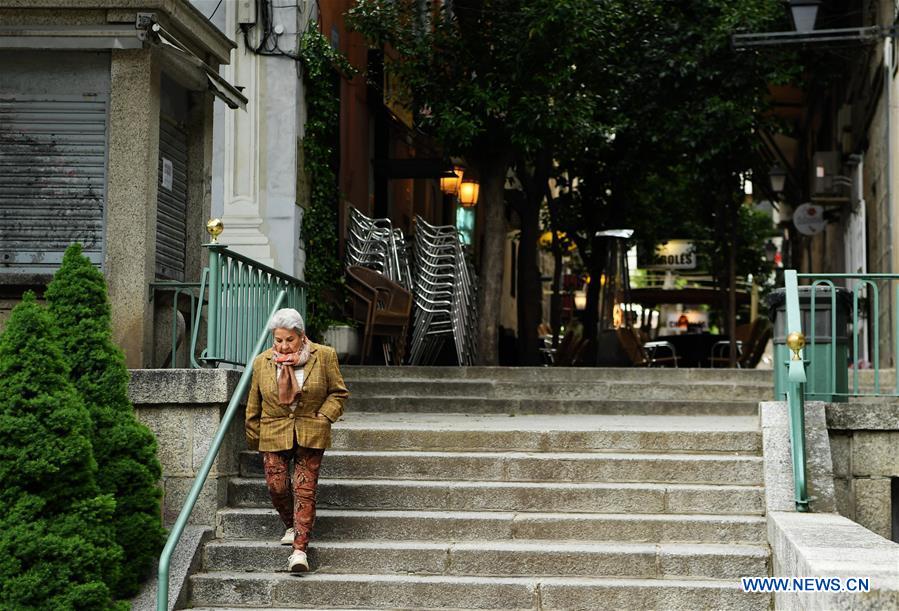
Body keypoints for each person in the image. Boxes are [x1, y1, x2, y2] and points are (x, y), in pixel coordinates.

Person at [245, 308, 349, 572]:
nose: (283, 346)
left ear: (302, 336)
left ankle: (299, 552)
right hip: (273, 431)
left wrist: (324, 416)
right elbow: (254, 403)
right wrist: (254, 437)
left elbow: (338, 393)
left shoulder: (324, 356)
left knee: (305, 490)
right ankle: (292, 524)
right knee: (277, 486)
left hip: (310, 431)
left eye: (289, 340)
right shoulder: (262, 362)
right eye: (278, 339)